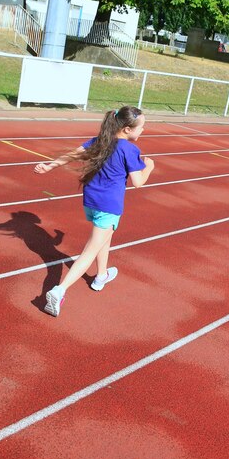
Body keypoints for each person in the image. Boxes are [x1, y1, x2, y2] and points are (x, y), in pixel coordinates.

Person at [34, 106, 155, 317]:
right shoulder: (129, 149)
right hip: (109, 206)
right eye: (141, 127)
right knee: (89, 251)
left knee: (103, 238)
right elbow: (138, 182)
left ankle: (101, 276)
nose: (143, 131)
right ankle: (59, 290)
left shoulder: (100, 140)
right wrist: (149, 168)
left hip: (90, 202)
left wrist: (49, 167)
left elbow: (73, 155)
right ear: (127, 129)